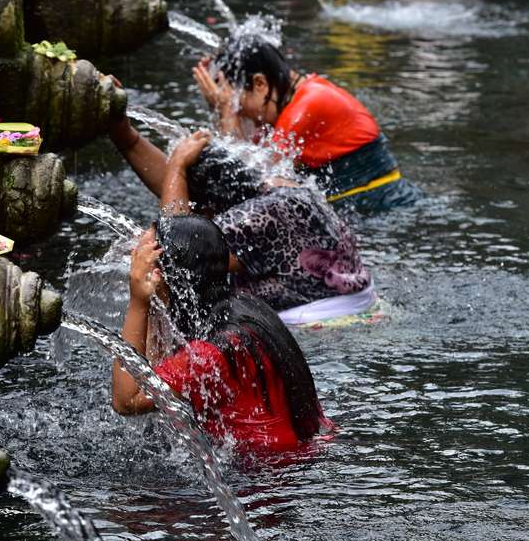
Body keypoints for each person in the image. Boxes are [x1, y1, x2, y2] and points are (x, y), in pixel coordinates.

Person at [109, 120, 377, 324]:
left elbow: (176, 247)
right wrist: (125, 134)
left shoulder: (250, 220)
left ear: (209, 209)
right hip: (366, 308)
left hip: (321, 327)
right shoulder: (280, 188)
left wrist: (178, 166)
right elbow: (180, 193)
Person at [111, 214, 331, 453]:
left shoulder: (209, 354)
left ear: (164, 275)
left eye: (143, 258)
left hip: (265, 476)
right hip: (306, 450)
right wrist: (156, 305)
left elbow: (127, 401)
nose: (134, 262)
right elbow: (158, 371)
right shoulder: (244, 307)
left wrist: (139, 303)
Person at [192, 33, 421, 213]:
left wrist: (226, 113)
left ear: (260, 83)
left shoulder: (305, 109)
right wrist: (220, 108)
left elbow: (244, 182)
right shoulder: (289, 99)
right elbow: (244, 157)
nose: (242, 116)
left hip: (384, 209)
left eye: (237, 105)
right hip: (367, 207)